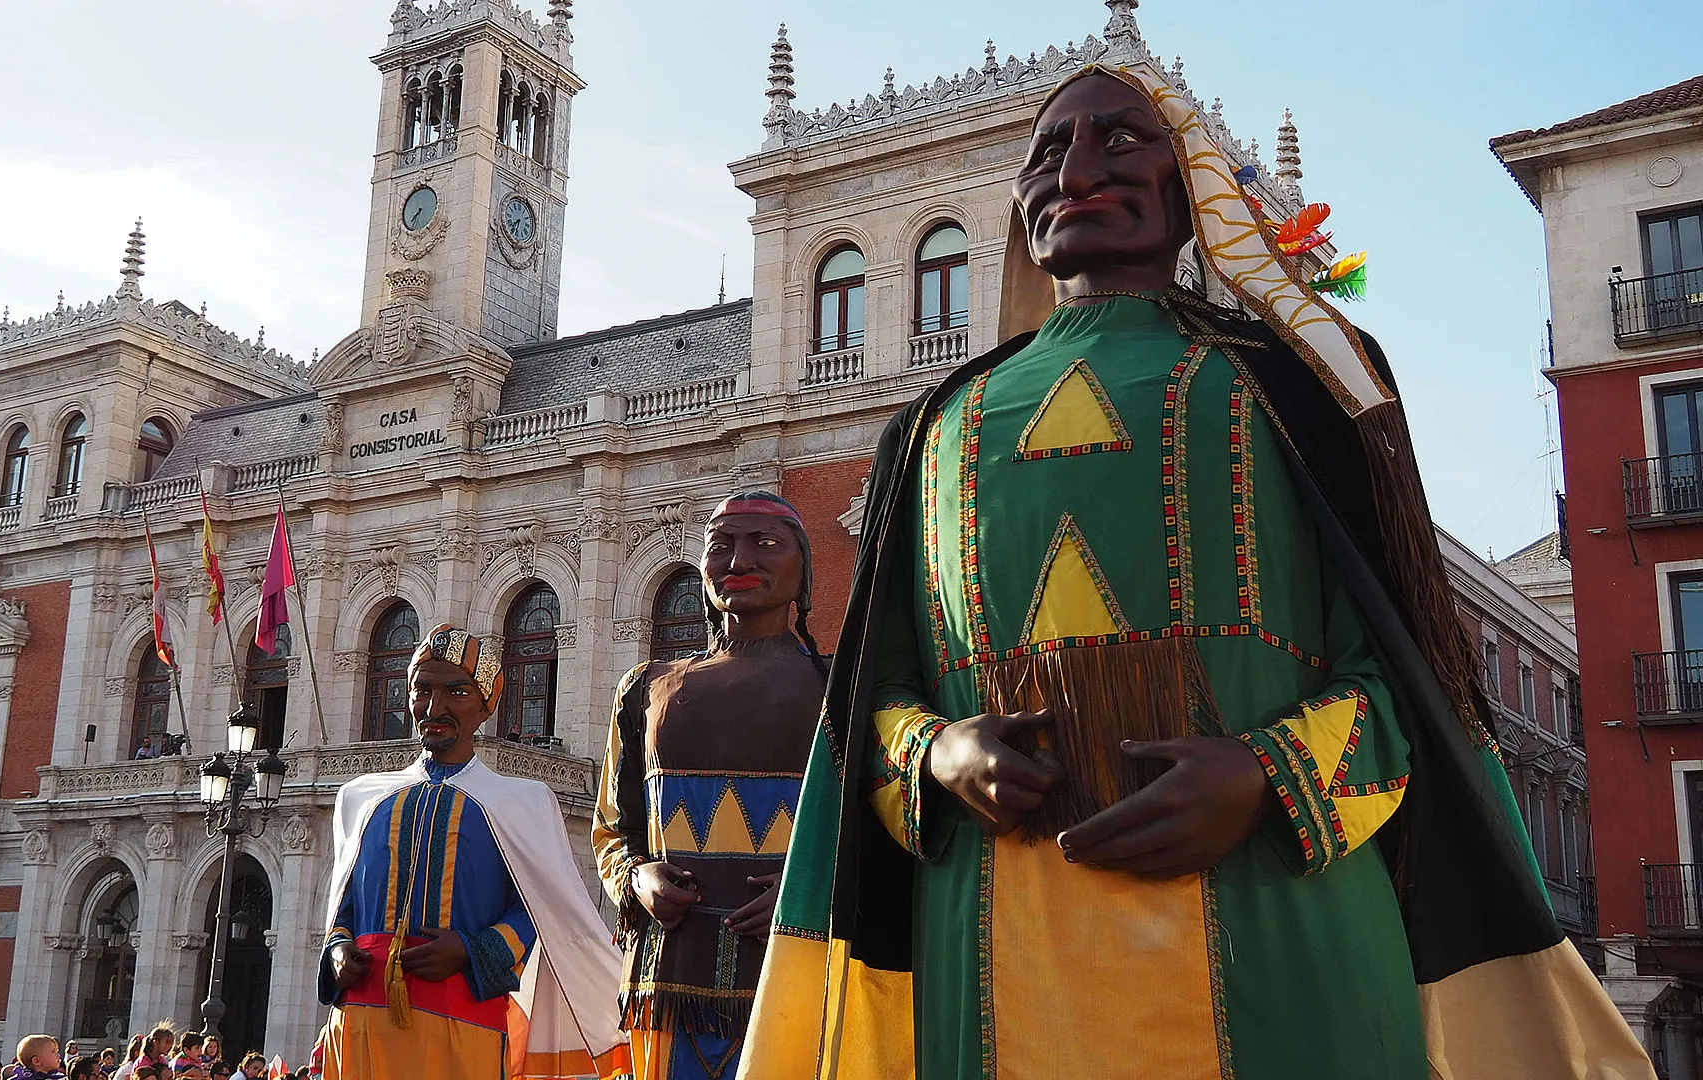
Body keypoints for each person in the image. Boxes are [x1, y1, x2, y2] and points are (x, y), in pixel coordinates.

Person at [740, 22, 1655, 1080]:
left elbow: (1411, 685)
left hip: (1283, 936)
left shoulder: (1314, 385)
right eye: (1047, 153)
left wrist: (1269, 776)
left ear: (1191, 192)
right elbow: (879, 695)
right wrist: (936, 755)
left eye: (1122, 141)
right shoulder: (932, 426)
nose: (1077, 171)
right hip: (988, 958)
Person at [318, 623, 632, 1079]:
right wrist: (339, 950)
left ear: (488, 705)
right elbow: (343, 908)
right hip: (363, 1020)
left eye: (457, 692)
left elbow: (541, 913)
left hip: (465, 1022)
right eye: (421, 690)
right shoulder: (361, 799)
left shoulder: (521, 804)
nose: (435, 707)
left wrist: (470, 949)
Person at [594, 493, 826, 1080]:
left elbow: (876, 818)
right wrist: (636, 876)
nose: (738, 560)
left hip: (799, 969)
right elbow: (614, 829)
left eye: (765, 545)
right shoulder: (644, 687)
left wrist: (811, 889)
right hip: (667, 978)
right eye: (720, 545)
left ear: (803, 571)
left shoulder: (841, 684)